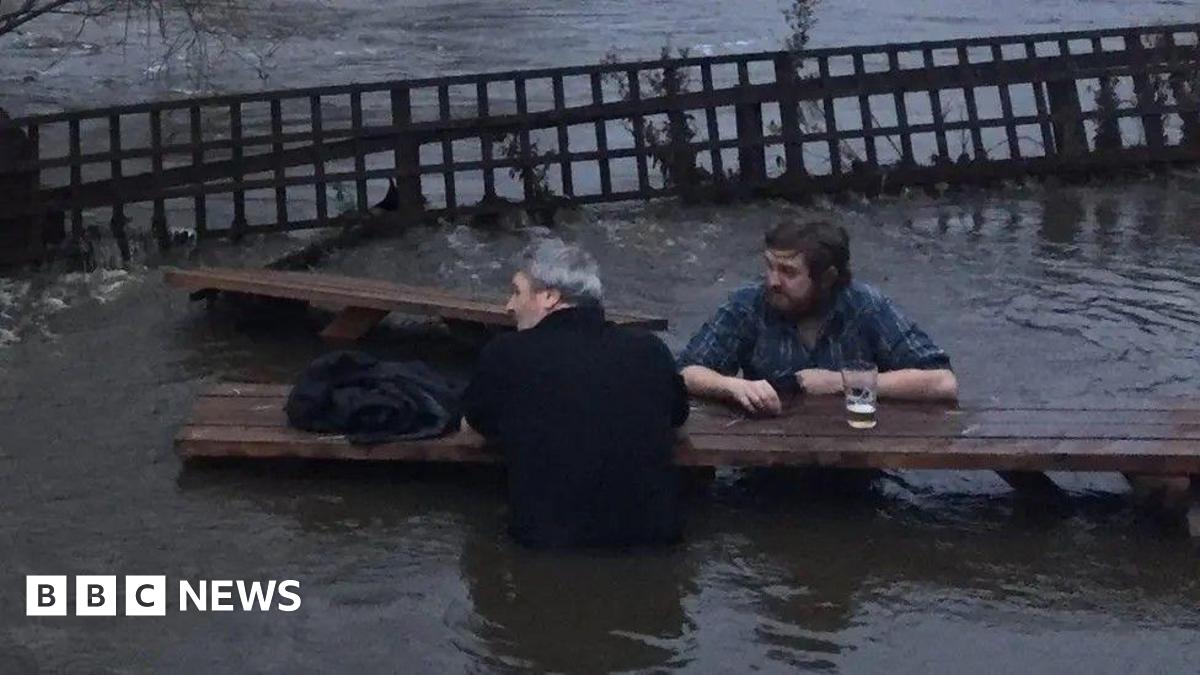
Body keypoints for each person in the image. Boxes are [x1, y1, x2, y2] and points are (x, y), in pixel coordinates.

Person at [463, 239, 689, 548]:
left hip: (546, 549)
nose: (509, 306)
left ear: (550, 296)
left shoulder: (504, 354)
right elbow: (678, 419)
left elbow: (476, 425)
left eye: (517, 291)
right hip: (653, 545)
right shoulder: (651, 351)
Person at [678, 220, 957, 416]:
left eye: (788, 272)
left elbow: (942, 382)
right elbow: (686, 372)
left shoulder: (865, 306)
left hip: (855, 457)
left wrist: (841, 383)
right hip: (768, 457)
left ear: (827, 278)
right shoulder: (749, 304)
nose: (773, 281)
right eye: (769, 266)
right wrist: (733, 386)